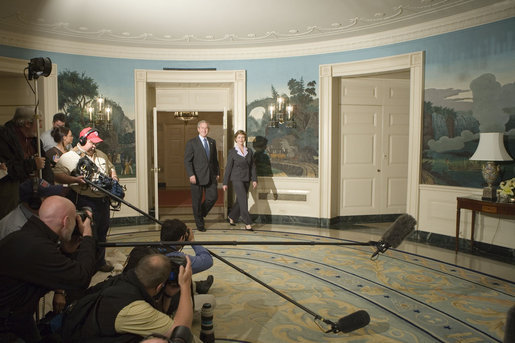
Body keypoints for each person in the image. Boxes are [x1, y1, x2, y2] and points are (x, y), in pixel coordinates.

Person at [0, 196, 96, 343]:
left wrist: (66, 252)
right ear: (66, 221)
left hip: (18, 317)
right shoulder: (37, 247)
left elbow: (48, 274)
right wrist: (88, 237)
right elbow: (80, 279)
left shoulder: (28, 236)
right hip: (7, 327)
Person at [62, 254, 194, 342]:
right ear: (159, 286)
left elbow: (160, 313)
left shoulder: (123, 280)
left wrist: (168, 295)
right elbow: (181, 331)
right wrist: (185, 286)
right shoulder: (133, 309)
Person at [54, 127, 118, 272]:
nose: (94, 146)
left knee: (102, 232)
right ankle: (85, 264)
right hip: (84, 200)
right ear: (82, 140)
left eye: (96, 143)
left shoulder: (101, 154)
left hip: (103, 201)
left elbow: (111, 167)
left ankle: (99, 262)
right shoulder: (69, 157)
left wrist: (113, 177)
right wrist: (74, 179)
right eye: (92, 142)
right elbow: (57, 175)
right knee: (88, 234)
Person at [0, 106, 54, 219]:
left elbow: (46, 166)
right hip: (11, 199)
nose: (41, 126)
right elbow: (6, 170)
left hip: (31, 197)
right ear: (27, 124)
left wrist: (49, 190)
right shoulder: (4, 138)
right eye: (39, 122)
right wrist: (32, 164)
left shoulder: (35, 141)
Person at [159, 219, 214, 294]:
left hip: (157, 288)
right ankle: (194, 287)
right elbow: (207, 261)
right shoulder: (178, 258)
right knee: (211, 300)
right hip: (168, 296)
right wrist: (192, 241)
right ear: (182, 238)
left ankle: (198, 286)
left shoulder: (152, 249)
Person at [184, 120, 220, 232]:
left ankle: (201, 213)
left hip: (211, 176)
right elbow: (187, 161)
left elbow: (215, 160)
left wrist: (217, 173)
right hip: (197, 177)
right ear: (198, 129)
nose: (204, 130)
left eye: (206, 128)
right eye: (202, 128)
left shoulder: (212, 142)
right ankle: (200, 225)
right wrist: (191, 175)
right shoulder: (191, 143)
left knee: (213, 197)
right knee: (197, 201)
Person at [223, 130, 257, 231]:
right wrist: (225, 182)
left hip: (247, 178)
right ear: (235, 139)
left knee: (240, 200)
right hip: (236, 178)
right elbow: (228, 167)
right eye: (239, 137)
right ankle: (247, 222)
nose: (241, 139)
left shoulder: (249, 151)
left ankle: (232, 216)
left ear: (244, 139)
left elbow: (253, 167)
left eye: (242, 137)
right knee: (243, 199)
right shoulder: (232, 152)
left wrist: (254, 179)